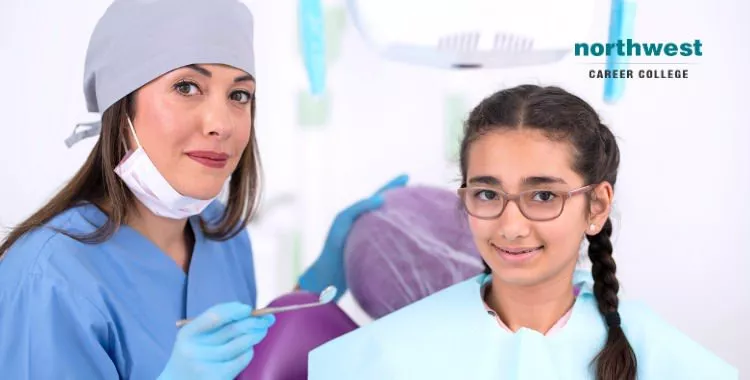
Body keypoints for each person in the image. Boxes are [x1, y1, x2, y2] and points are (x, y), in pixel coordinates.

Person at [0, 0, 407, 378]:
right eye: (186, 87)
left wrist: (312, 290)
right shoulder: (48, 280)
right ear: (121, 107)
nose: (222, 123)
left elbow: (247, 357)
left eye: (239, 95)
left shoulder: (222, 235)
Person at [308, 85, 739, 379]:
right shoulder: (381, 356)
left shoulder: (664, 358)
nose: (511, 227)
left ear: (597, 206)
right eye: (487, 194)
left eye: (544, 197)